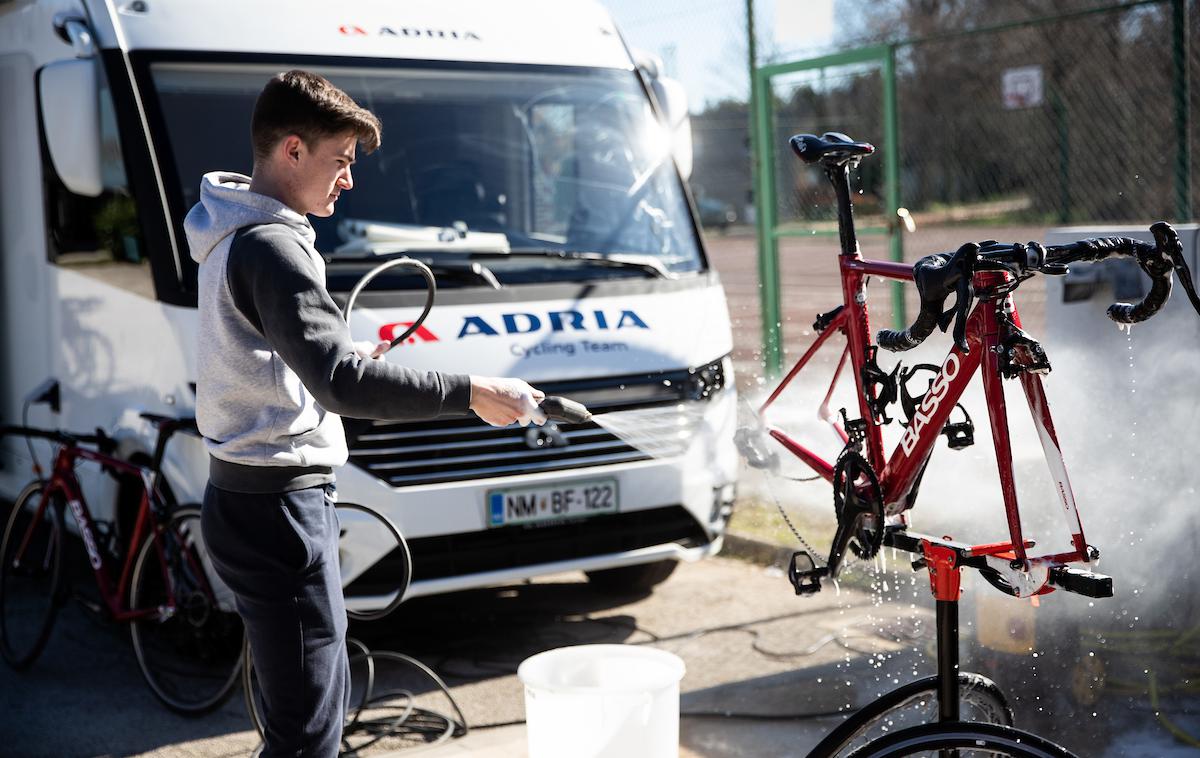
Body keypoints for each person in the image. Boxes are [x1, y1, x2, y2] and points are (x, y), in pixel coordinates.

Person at [185, 70, 543, 757]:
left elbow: (302, 361)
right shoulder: (274, 246)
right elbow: (343, 382)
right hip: (280, 514)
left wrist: (342, 360)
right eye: (340, 161)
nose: (349, 181)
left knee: (296, 719)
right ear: (293, 150)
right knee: (309, 735)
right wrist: (472, 390)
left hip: (239, 497)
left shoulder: (230, 232)